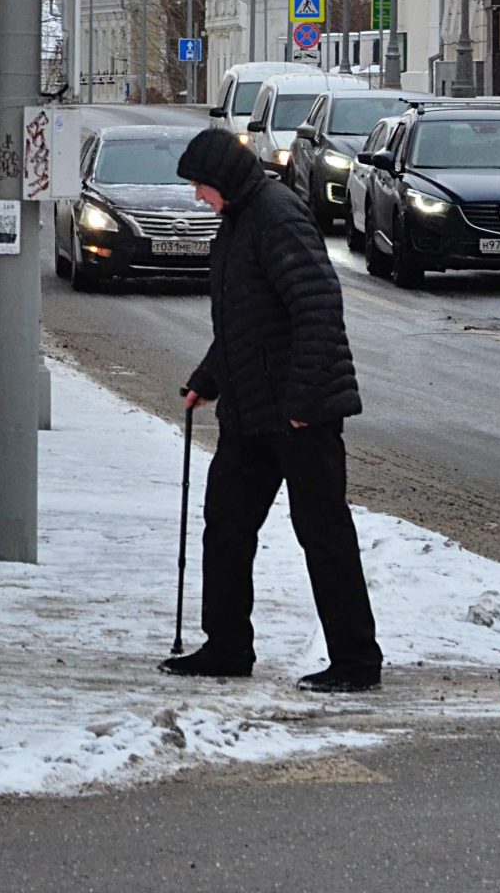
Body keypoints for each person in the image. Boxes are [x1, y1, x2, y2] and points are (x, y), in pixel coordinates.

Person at [163, 127, 383, 693]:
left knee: (323, 533)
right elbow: (245, 320)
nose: (197, 199)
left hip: (297, 413)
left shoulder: (276, 217)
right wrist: (208, 379)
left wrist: (304, 404)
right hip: (249, 411)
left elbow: (316, 309)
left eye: (200, 187)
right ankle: (227, 646)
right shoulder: (236, 223)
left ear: (223, 181)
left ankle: (356, 661)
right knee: (227, 527)